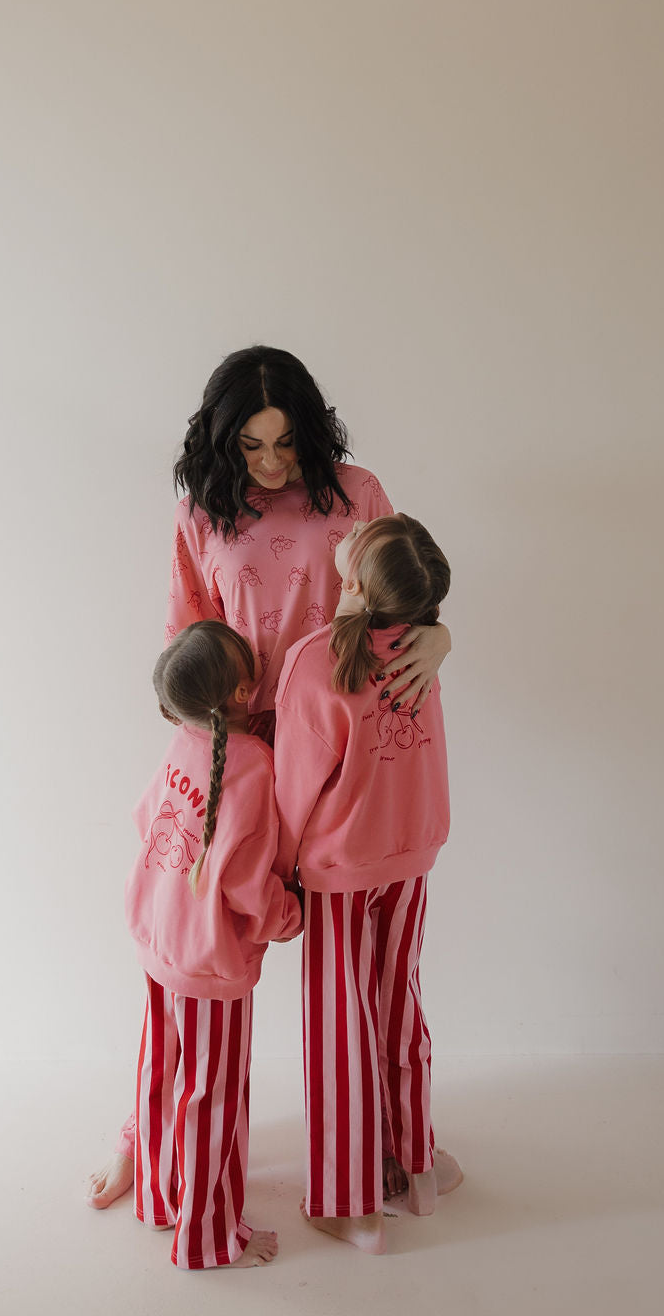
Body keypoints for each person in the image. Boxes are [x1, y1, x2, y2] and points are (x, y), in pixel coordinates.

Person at [87, 346, 453, 1208]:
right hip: (240, 781)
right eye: (250, 446)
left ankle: (398, 1152)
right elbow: (188, 661)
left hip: (343, 793)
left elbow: (401, 595)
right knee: (185, 968)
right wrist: (223, 782)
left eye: (286, 442)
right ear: (221, 445)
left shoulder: (357, 494)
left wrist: (440, 636)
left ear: (312, 431)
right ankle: (147, 1140)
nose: (271, 464)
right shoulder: (199, 517)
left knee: (375, 986)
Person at [272, 514, 454, 1254]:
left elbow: (293, 786)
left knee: (339, 1029)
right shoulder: (422, 650)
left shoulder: (314, 658)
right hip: (411, 857)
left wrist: (283, 869)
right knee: (397, 1006)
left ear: (350, 583)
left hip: (340, 872)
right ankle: (415, 1169)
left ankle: (351, 1205)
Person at [124, 620, 302, 1269]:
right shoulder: (254, 767)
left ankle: (156, 1195)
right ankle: (209, 1237)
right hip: (208, 961)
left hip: (157, 936)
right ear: (243, 691)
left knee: (159, 1071)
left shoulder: (182, 741)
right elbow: (250, 885)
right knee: (212, 1095)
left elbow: (148, 817)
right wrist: (291, 916)